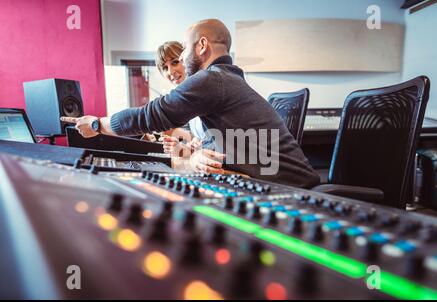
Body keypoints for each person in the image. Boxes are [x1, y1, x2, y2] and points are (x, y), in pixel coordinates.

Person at [61, 19, 320, 188]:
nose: (181, 59)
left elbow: (151, 116)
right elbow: (216, 142)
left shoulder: (212, 79)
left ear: (202, 46)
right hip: (284, 182)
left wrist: (96, 124)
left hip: (292, 190)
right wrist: (193, 155)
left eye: (183, 50)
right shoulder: (224, 80)